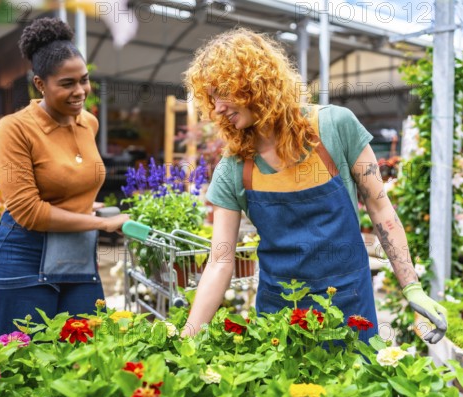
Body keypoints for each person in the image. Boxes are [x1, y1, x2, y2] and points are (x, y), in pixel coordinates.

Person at [182, 28, 447, 344]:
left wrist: (412, 288)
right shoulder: (234, 166)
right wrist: (188, 338)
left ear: (253, 84)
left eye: (221, 94)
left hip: (350, 307)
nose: (216, 109)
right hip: (280, 318)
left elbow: (381, 209)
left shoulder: (336, 127)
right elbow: (220, 260)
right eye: (209, 99)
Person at [0, 18, 129, 340]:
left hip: (75, 255)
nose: (80, 91)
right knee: (26, 372)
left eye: (84, 80)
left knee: (88, 355)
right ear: (40, 84)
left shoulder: (89, 123)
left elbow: (72, 177)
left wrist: (85, 202)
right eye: (67, 83)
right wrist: (102, 224)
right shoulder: (14, 129)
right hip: (21, 259)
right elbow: (28, 211)